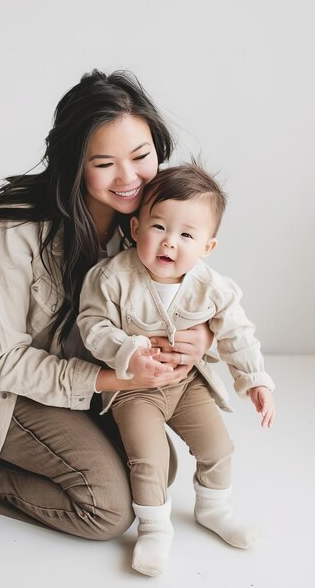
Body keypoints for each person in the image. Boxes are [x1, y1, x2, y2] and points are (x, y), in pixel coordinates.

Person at [0, 70, 213, 542]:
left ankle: (3, 450)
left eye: (141, 156)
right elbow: (2, 363)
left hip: (76, 377)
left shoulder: (152, 219)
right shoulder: (14, 232)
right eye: (105, 162)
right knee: (107, 511)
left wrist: (201, 336)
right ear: (74, 163)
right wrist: (116, 379)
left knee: (157, 470)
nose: (129, 178)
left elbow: (193, 291)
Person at [77, 162, 276, 575]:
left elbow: (237, 331)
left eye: (187, 235)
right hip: (134, 389)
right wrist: (127, 350)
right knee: (147, 459)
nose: (170, 243)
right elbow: (92, 326)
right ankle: (154, 528)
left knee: (218, 447)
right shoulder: (112, 278)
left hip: (187, 384)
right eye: (159, 227)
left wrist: (255, 380)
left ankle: (214, 508)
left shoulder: (211, 286)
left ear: (207, 247)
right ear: (135, 230)